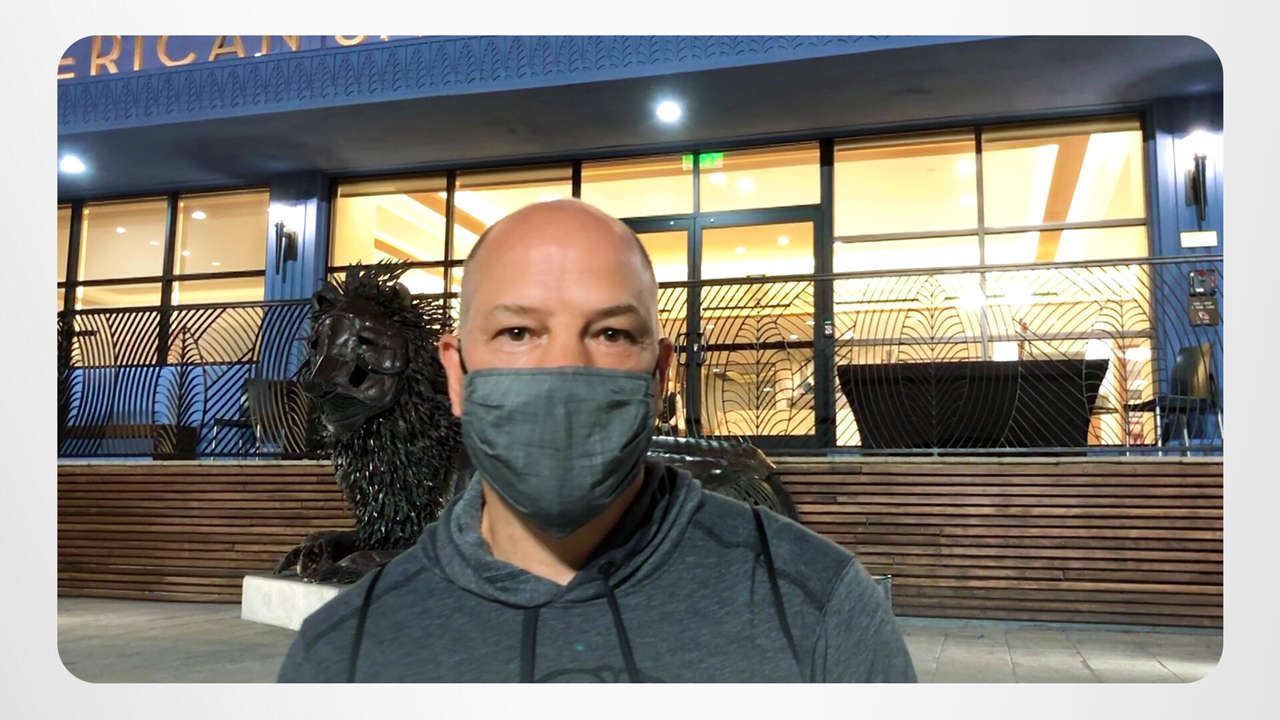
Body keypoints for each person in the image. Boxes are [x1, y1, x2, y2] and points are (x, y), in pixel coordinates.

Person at [277, 199, 916, 683]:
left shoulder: (821, 610)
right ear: (456, 373)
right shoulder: (339, 654)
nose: (565, 370)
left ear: (660, 374)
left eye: (610, 334)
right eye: (518, 333)